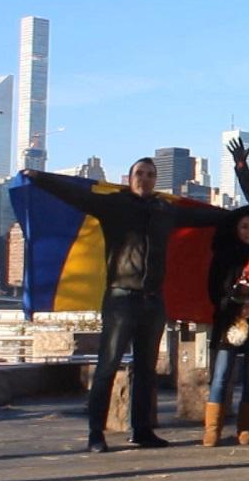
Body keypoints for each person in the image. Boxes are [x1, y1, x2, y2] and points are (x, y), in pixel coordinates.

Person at [23, 159, 228, 453]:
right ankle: (96, 432)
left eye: (150, 175)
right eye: (139, 174)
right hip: (121, 298)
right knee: (108, 365)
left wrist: (244, 214)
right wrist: (39, 177)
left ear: (155, 180)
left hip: (153, 300)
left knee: (146, 369)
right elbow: (74, 194)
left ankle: (142, 431)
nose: (144, 178)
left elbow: (205, 218)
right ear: (129, 178)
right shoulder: (113, 204)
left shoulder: (165, 210)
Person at [203, 208, 249, 447]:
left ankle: (245, 428)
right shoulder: (224, 255)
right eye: (244, 227)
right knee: (221, 375)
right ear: (235, 228)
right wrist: (236, 304)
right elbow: (214, 291)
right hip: (230, 322)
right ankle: (212, 429)